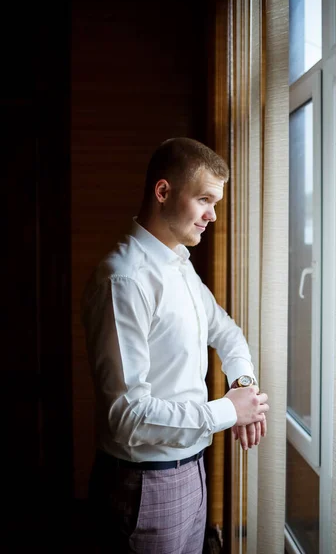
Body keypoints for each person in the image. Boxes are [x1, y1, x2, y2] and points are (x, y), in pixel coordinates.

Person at [81, 137, 269, 554]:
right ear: (163, 192)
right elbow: (125, 416)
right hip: (145, 485)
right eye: (204, 199)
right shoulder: (124, 279)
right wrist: (227, 412)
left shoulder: (180, 265)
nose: (212, 216)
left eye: (215, 203)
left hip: (192, 470)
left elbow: (226, 332)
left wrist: (242, 383)